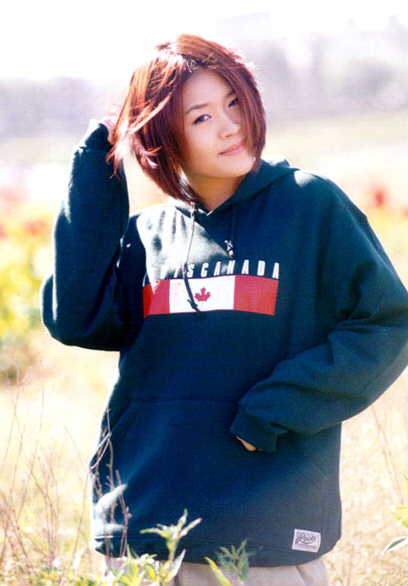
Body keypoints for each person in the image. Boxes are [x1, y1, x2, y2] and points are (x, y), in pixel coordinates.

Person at [41, 34, 408, 586]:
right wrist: (97, 165)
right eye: (201, 117)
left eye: (234, 102)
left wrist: (277, 408)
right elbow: (77, 319)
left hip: (265, 535)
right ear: (162, 136)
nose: (230, 126)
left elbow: (387, 322)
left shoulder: (310, 206)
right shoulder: (150, 236)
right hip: (146, 526)